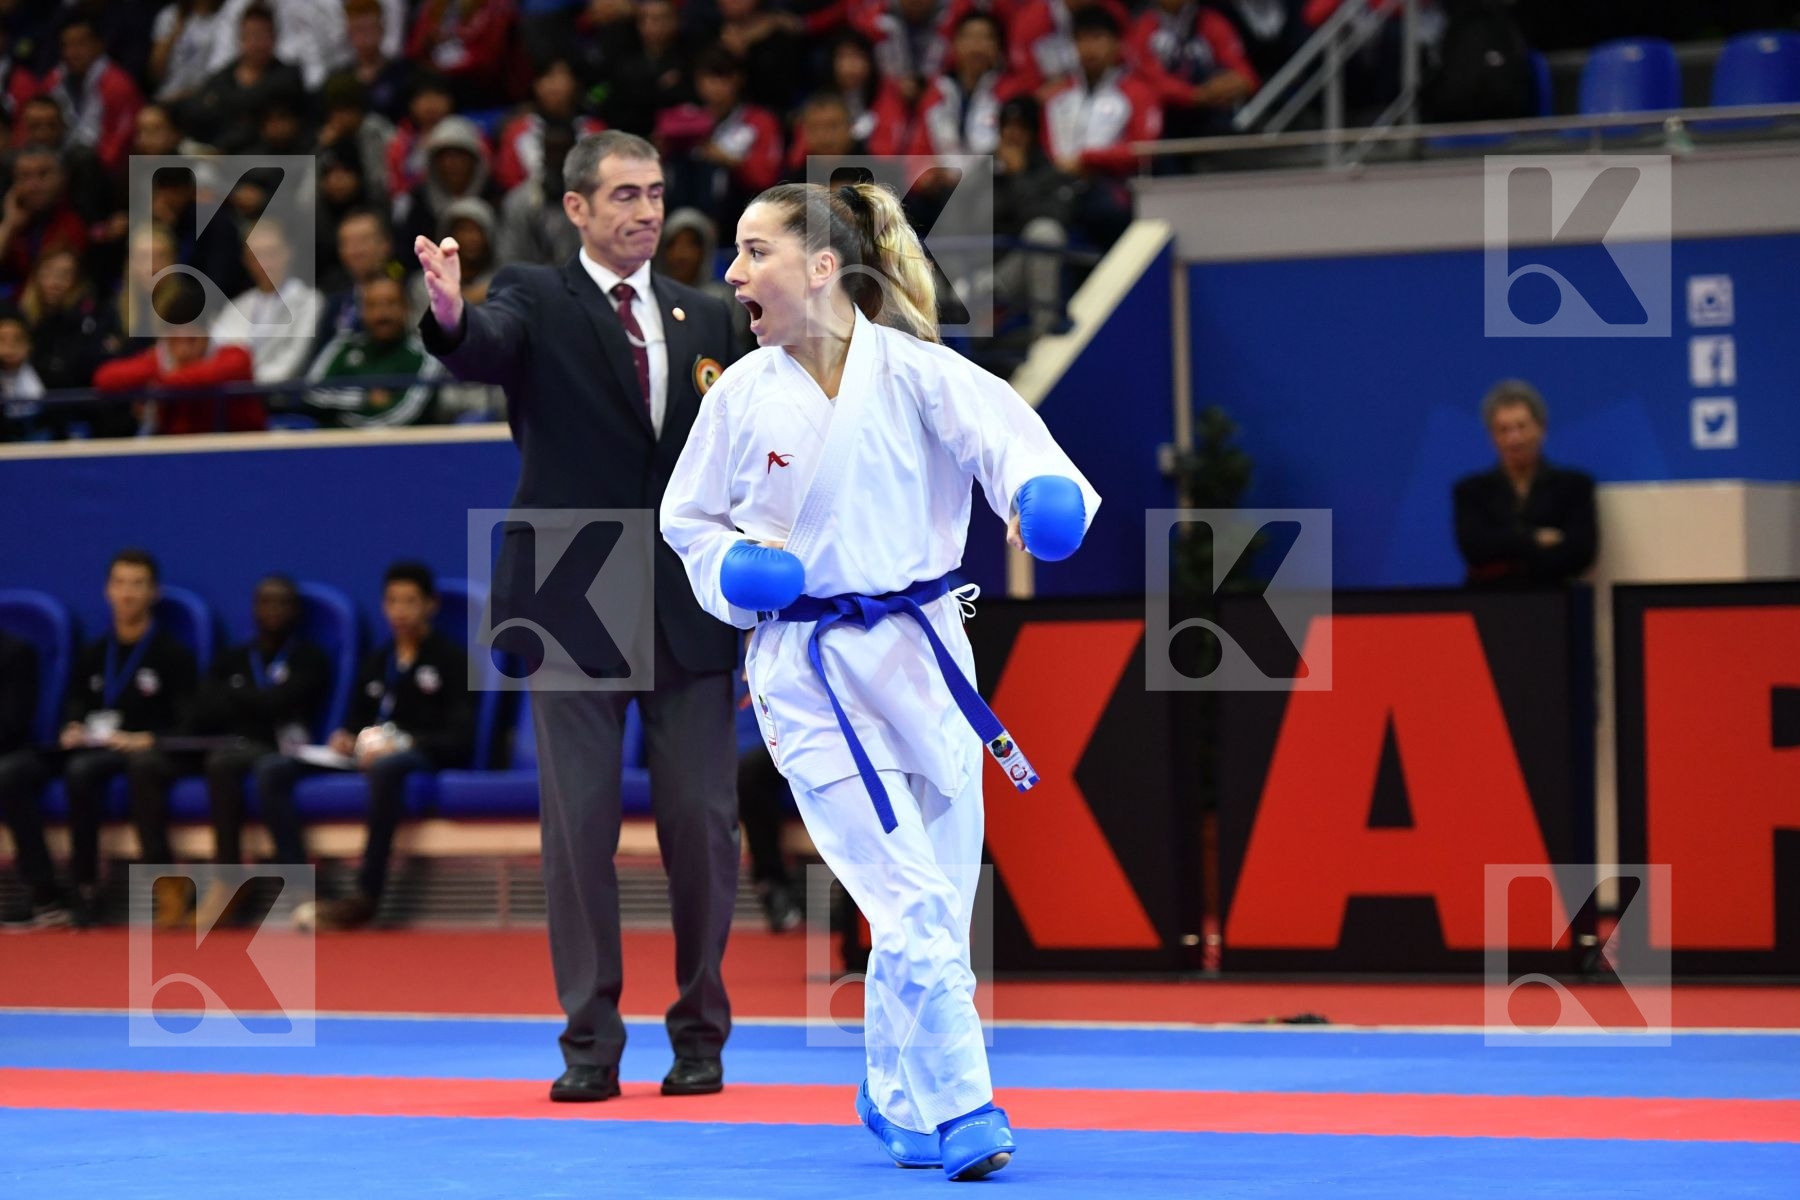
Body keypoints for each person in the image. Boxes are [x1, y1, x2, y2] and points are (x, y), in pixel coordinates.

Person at [660, 179, 1100, 1180]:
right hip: (808, 671)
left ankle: (894, 1096)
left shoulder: (919, 373)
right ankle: (966, 1106)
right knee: (907, 899)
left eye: (755, 251)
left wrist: (1043, 497)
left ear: (823, 265)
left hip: (925, 653)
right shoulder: (741, 395)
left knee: (935, 897)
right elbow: (687, 523)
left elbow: (1016, 448)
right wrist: (731, 568)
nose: (733, 272)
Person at [416, 130, 744, 1105]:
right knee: (578, 832)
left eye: (656, 192)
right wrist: (447, 312)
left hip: (687, 598)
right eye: (625, 194)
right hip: (570, 590)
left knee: (703, 827)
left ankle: (701, 1034)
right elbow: (483, 344)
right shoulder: (534, 292)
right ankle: (590, 1044)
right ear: (577, 208)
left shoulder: (708, 315)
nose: (647, 210)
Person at [261, 561, 473, 931]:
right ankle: (303, 892)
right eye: (392, 601)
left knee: (387, 767)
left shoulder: (451, 659)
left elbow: (460, 736)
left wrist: (404, 743)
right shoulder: (378, 660)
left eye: (410, 601)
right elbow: (356, 721)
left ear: (431, 605)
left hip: (417, 755)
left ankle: (365, 895)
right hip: (366, 755)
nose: (400, 611)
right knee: (273, 769)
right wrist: (345, 738)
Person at [0, 549, 198, 928]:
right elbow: (75, 705)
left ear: (153, 593)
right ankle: (44, 893)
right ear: (108, 590)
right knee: (10, 773)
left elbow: (189, 722)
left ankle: (85, 886)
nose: (127, 593)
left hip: (130, 749)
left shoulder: (172, 654)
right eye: (120, 583)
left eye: (137, 584)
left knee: (82, 771)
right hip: (89, 744)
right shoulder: (94, 652)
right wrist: (72, 727)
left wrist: (146, 738)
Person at [125, 574, 329, 928]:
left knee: (223, 763)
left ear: (296, 611)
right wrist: (251, 701)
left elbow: (278, 704)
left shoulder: (309, 658)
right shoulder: (234, 657)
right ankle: (167, 881)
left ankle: (228, 876)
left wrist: (237, 697)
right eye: (266, 602)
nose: (274, 610)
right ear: (254, 608)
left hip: (273, 747)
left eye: (283, 602)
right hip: (220, 741)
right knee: (145, 765)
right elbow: (205, 708)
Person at [1453, 378, 1598, 588]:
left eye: (1521, 427)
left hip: (1555, 598)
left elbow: (1580, 553)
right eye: (1503, 429)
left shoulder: (1575, 486)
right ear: (1492, 436)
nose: (1514, 438)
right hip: (1488, 599)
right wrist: (1534, 539)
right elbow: (1474, 549)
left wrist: (1505, 550)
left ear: (1542, 428)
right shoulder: (1471, 491)